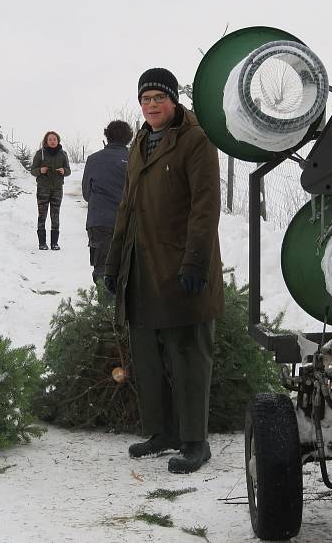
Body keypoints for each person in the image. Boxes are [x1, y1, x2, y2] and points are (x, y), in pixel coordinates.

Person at [104, 68, 224, 474]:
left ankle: (195, 440)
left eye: (159, 97)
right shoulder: (140, 142)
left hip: (181, 267)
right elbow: (127, 207)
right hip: (141, 268)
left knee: (188, 354)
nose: (152, 105)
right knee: (149, 356)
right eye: (145, 98)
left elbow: (205, 207)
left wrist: (195, 261)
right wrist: (114, 262)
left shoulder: (197, 141)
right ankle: (163, 432)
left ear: (174, 101)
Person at [82, 120, 133, 283]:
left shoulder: (93, 159)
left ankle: (104, 307)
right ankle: (124, 307)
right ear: (129, 138)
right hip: (129, 222)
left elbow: (86, 193)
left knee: (102, 269)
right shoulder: (136, 158)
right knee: (128, 269)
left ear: (107, 135)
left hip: (99, 222)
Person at [30, 131, 70, 250]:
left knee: (55, 215)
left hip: (57, 189)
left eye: (54, 139)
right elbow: (32, 170)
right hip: (43, 188)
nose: (52, 141)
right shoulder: (40, 153)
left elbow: (68, 170)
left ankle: (54, 243)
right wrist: (40, 170)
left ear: (58, 141)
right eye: (50, 139)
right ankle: (42, 243)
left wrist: (64, 171)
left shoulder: (63, 154)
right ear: (46, 141)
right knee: (42, 215)